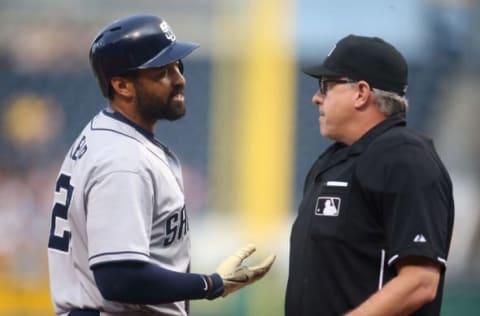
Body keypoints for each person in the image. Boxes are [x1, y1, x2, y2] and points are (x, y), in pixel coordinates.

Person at [47, 14, 275, 316]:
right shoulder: (123, 159)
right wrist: (211, 284)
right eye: (162, 72)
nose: (179, 78)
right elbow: (119, 278)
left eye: (177, 66)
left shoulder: (106, 136)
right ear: (122, 85)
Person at [285, 34, 454, 316]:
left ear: (361, 92)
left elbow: (421, 282)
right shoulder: (333, 161)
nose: (316, 98)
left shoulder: (405, 158)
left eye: (326, 86)